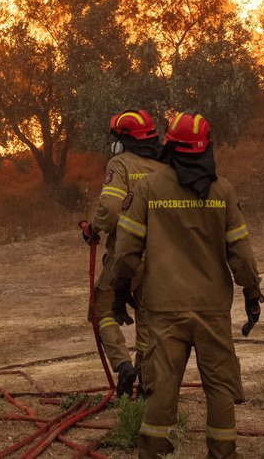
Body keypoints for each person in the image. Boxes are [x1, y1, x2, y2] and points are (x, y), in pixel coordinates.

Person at [112, 111, 262, 458]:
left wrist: (121, 290)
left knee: (162, 387)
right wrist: (252, 295)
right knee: (220, 386)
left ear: (169, 145)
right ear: (206, 147)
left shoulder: (149, 188)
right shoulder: (222, 190)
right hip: (212, 309)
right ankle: (222, 453)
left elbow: (126, 250)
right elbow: (241, 254)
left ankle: (152, 453)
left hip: (164, 308)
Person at [82, 110, 167, 397]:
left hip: (127, 255)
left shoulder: (120, 164)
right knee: (146, 314)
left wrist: (93, 228)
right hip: (159, 256)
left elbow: (109, 207)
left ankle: (123, 365)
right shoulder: (163, 167)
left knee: (100, 310)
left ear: (123, 140)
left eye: (116, 138)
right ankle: (145, 378)